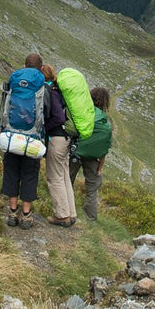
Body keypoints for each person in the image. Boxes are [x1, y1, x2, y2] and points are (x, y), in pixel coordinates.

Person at [1, 53, 48, 230]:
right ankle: (26, 215)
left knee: (11, 169)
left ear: (24, 65)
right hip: (33, 137)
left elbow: (4, 105)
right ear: (41, 68)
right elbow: (47, 113)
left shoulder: (14, 81)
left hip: (12, 134)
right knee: (29, 173)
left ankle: (12, 212)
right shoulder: (42, 87)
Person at [68, 87, 113, 221]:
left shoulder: (84, 112)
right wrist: (100, 167)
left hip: (75, 152)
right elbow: (105, 147)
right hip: (94, 157)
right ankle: (90, 218)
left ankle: (65, 210)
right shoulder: (106, 121)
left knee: (67, 181)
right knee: (92, 188)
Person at [42, 64, 77, 227]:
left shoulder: (51, 93)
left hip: (56, 139)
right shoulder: (59, 91)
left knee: (54, 177)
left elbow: (57, 118)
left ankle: (61, 215)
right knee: (63, 176)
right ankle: (71, 213)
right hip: (66, 138)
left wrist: (44, 127)